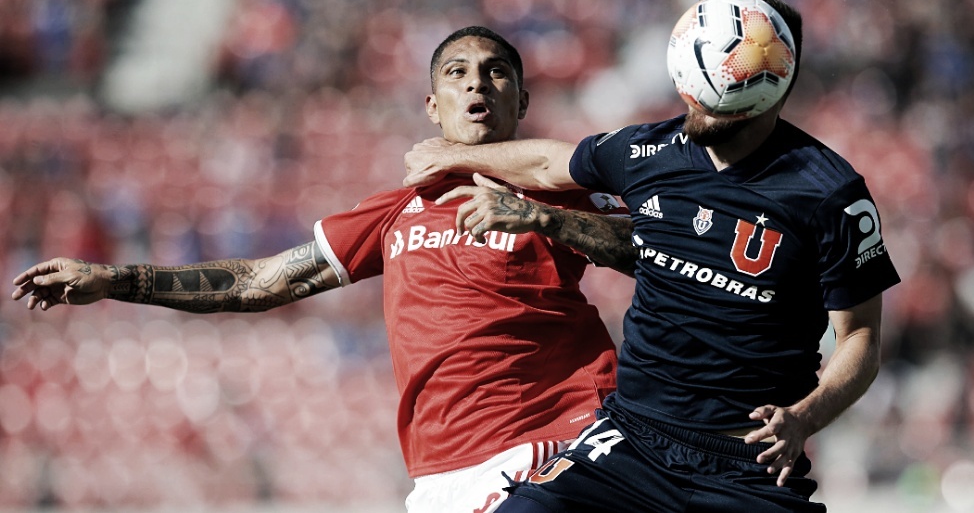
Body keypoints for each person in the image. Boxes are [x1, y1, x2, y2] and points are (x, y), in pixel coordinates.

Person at [10, 26, 634, 513]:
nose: (477, 85)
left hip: (560, 438)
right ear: (431, 104)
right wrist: (114, 280)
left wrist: (543, 219)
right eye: (457, 72)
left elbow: (658, 251)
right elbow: (260, 283)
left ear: (520, 100)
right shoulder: (393, 215)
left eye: (497, 73)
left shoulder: (559, 189)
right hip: (446, 473)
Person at [402, 0, 901, 512]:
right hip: (632, 441)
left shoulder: (831, 195)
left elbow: (860, 336)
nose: (698, 111)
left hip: (749, 465)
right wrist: (457, 154)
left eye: (718, 104)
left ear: (772, 94)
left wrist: (805, 417)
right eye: (693, 95)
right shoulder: (649, 150)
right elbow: (549, 162)